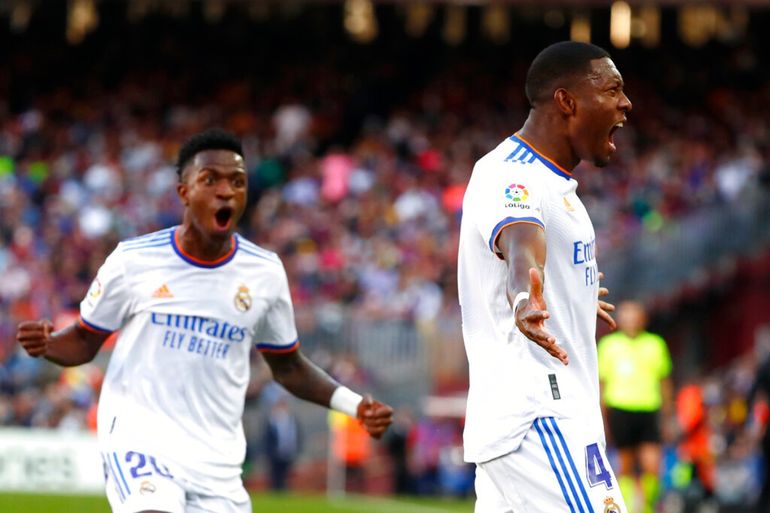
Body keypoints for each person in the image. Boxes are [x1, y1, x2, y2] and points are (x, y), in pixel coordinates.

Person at [16, 129, 393, 513]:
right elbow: (83, 340)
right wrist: (48, 344)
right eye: (210, 180)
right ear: (184, 192)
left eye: (237, 182)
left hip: (216, 463)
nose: (226, 191)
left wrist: (355, 405)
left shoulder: (264, 273)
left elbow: (289, 366)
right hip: (140, 442)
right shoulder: (134, 261)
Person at [457, 41, 632, 512]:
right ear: (567, 101)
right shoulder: (511, 174)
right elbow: (520, 245)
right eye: (612, 89)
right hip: (540, 416)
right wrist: (524, 298)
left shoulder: (553, 184)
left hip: (531, 420)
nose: (626, 103)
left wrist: (571, 293)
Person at [597, 300, 673, 513]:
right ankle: (627, 507)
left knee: (652, 465)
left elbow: (664, 381)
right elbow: (601, 384)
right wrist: (602, 418)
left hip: (649, 409)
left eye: (634, 315)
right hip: (620, 409)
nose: (630, 320)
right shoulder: (608, 345)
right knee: (625, 464)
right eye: (626, 316)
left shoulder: (655, 344)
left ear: (643, 319)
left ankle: (648, 507)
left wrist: (668, 415)